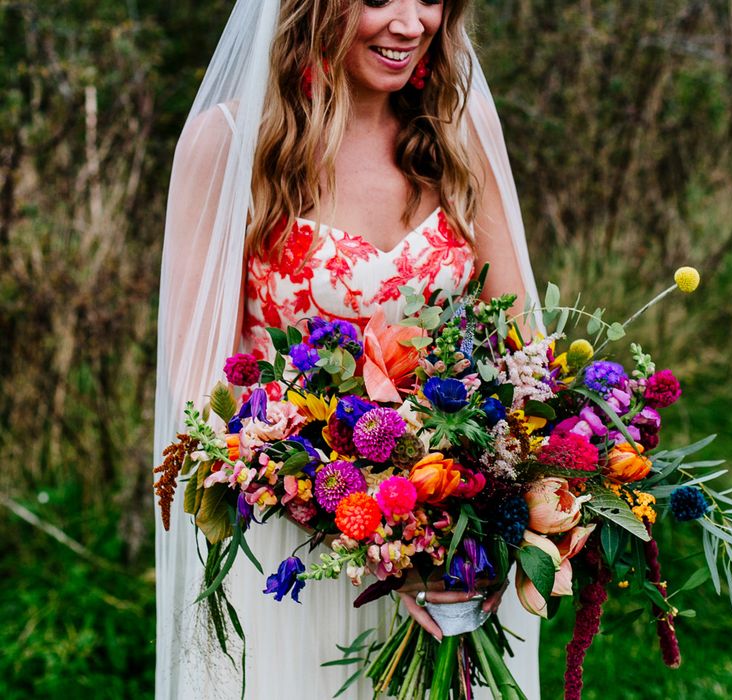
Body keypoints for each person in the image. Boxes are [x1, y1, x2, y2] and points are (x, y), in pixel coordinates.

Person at [154, 0, 541, 697]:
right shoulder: (230, 142)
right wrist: (363, 530)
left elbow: (519, 349)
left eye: (429, 0)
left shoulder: (458, 130)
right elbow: (197, 397)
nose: (409, 23)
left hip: (454, 552)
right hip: (294, 554)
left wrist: (478, 516)